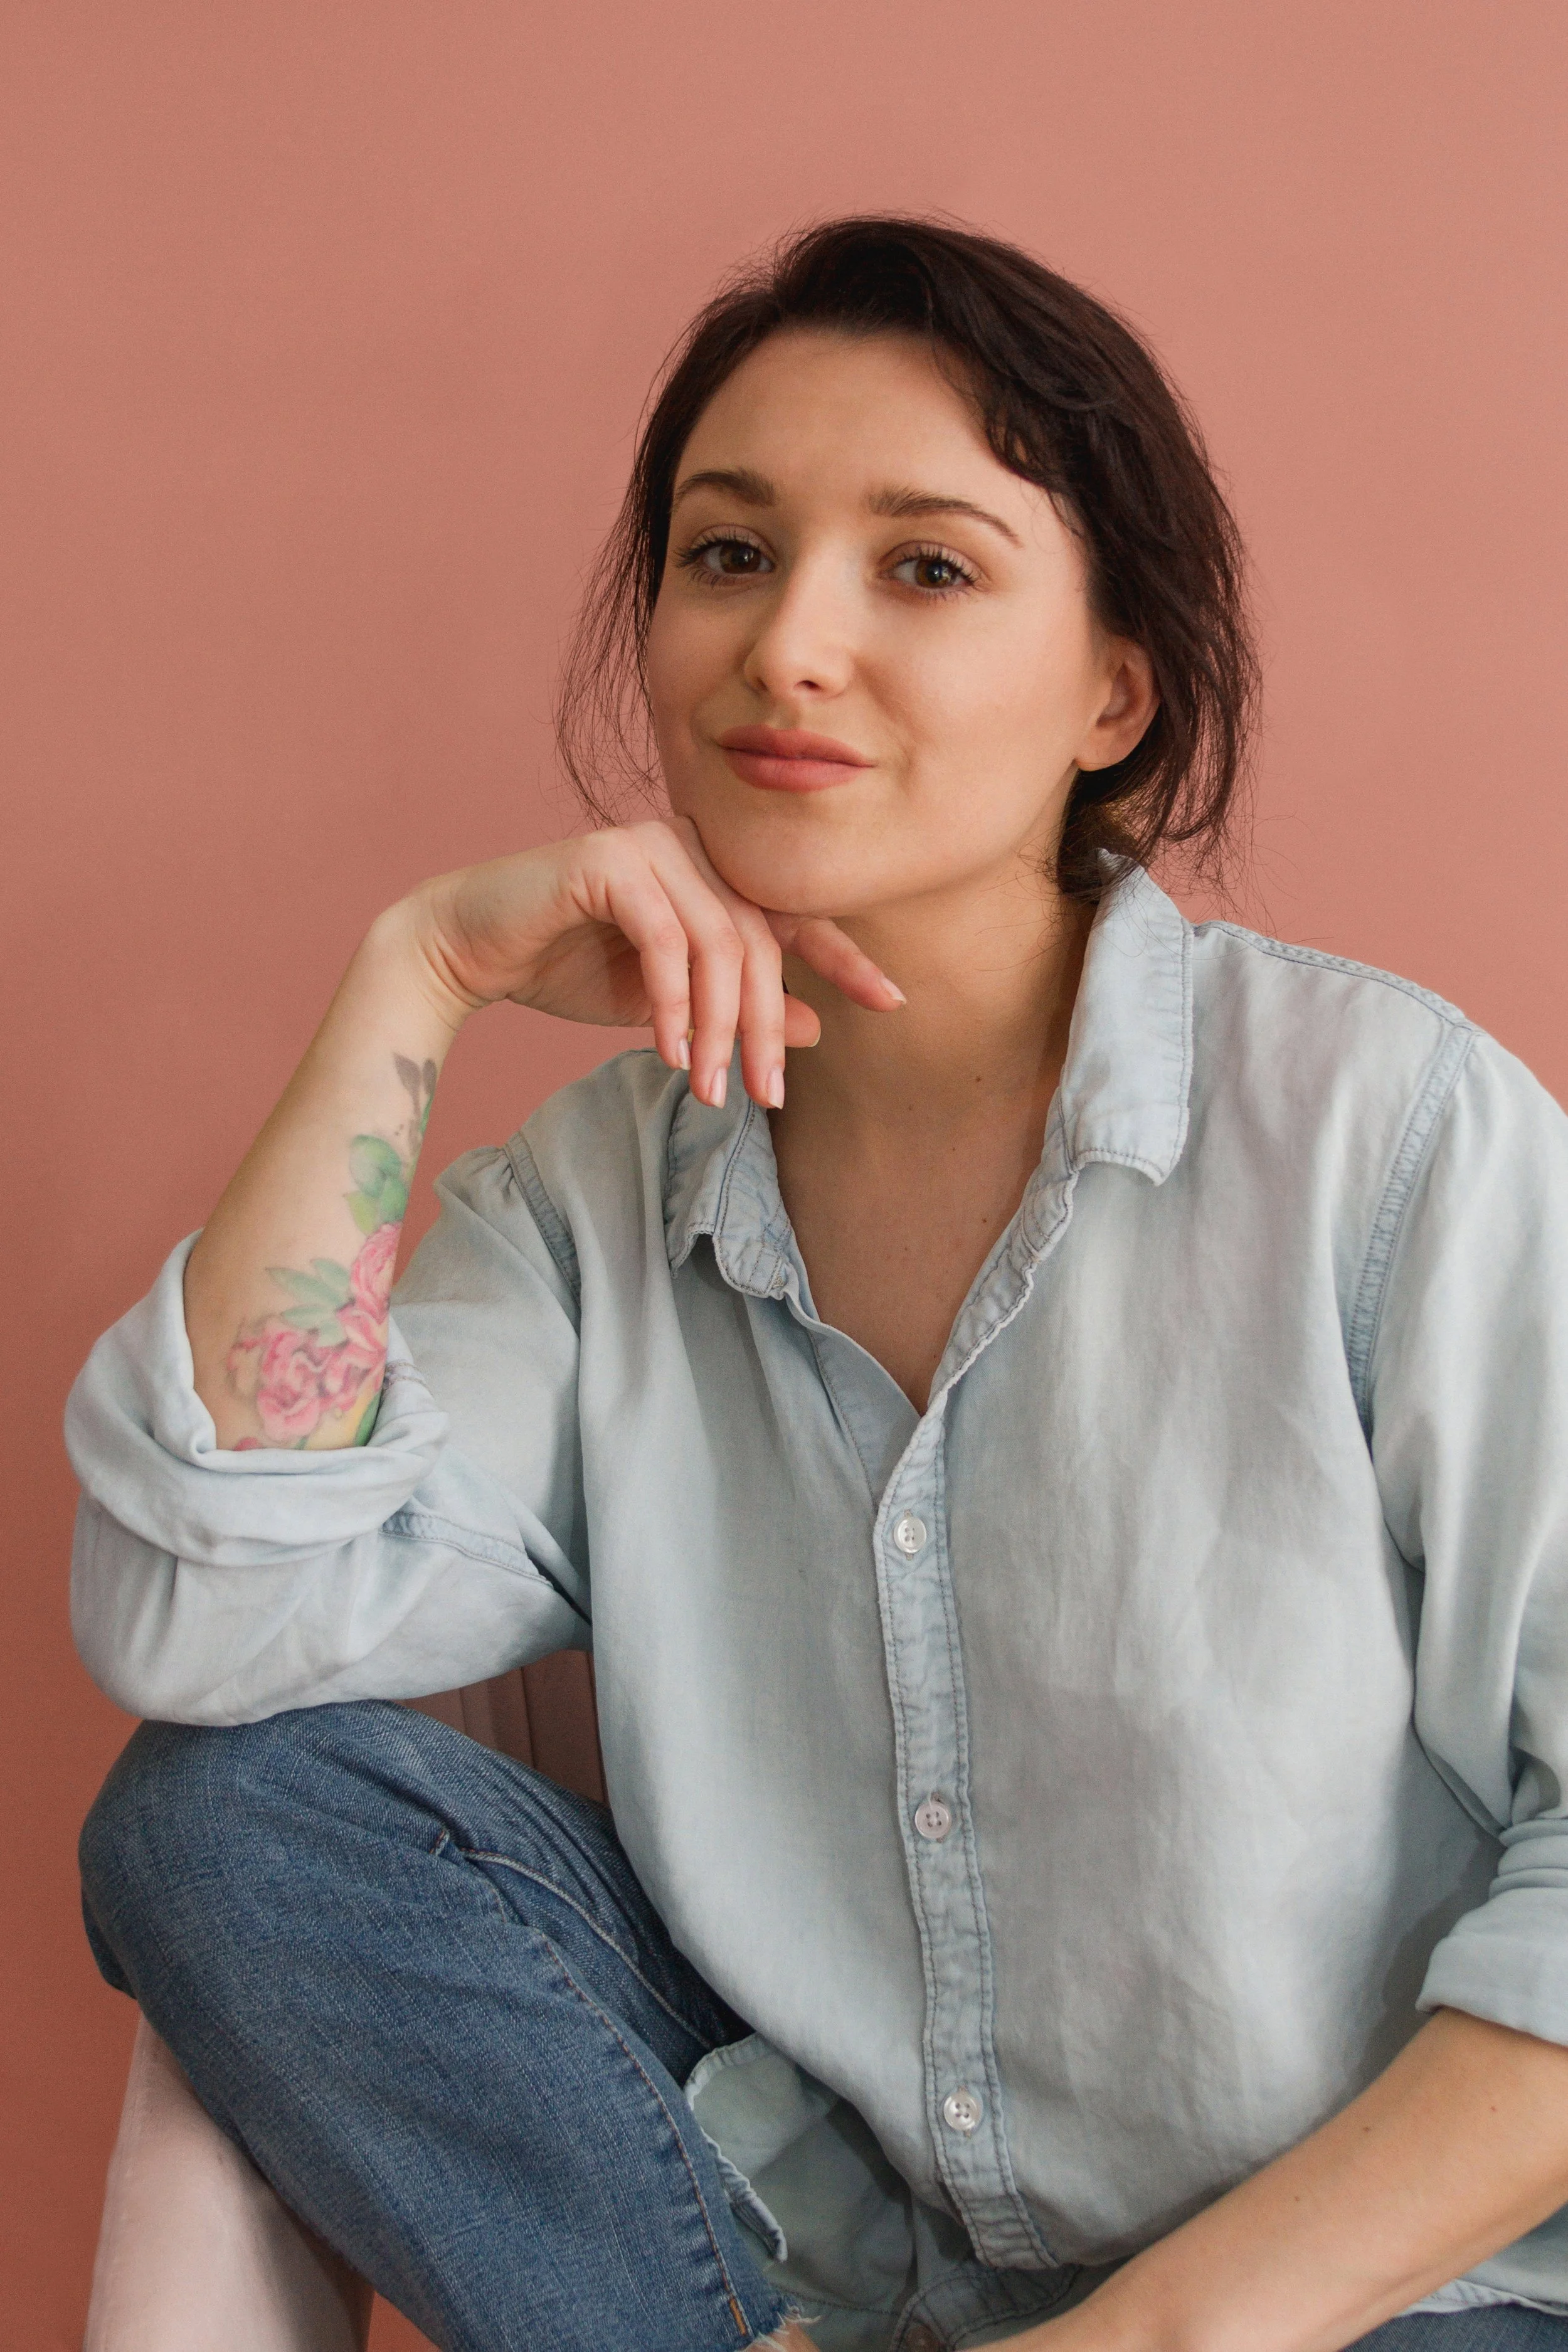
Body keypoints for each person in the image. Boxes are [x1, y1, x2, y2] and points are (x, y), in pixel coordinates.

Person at [66, 216, 1568, 2352]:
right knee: (227, 1821)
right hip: (819, 2286)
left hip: (1369, 2305)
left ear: (1115, 688)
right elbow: (201, 1632)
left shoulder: (1386, 1133)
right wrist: (423, 973)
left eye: (926, 568)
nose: (788, 648)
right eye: (728, 553)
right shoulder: (587, 1204)